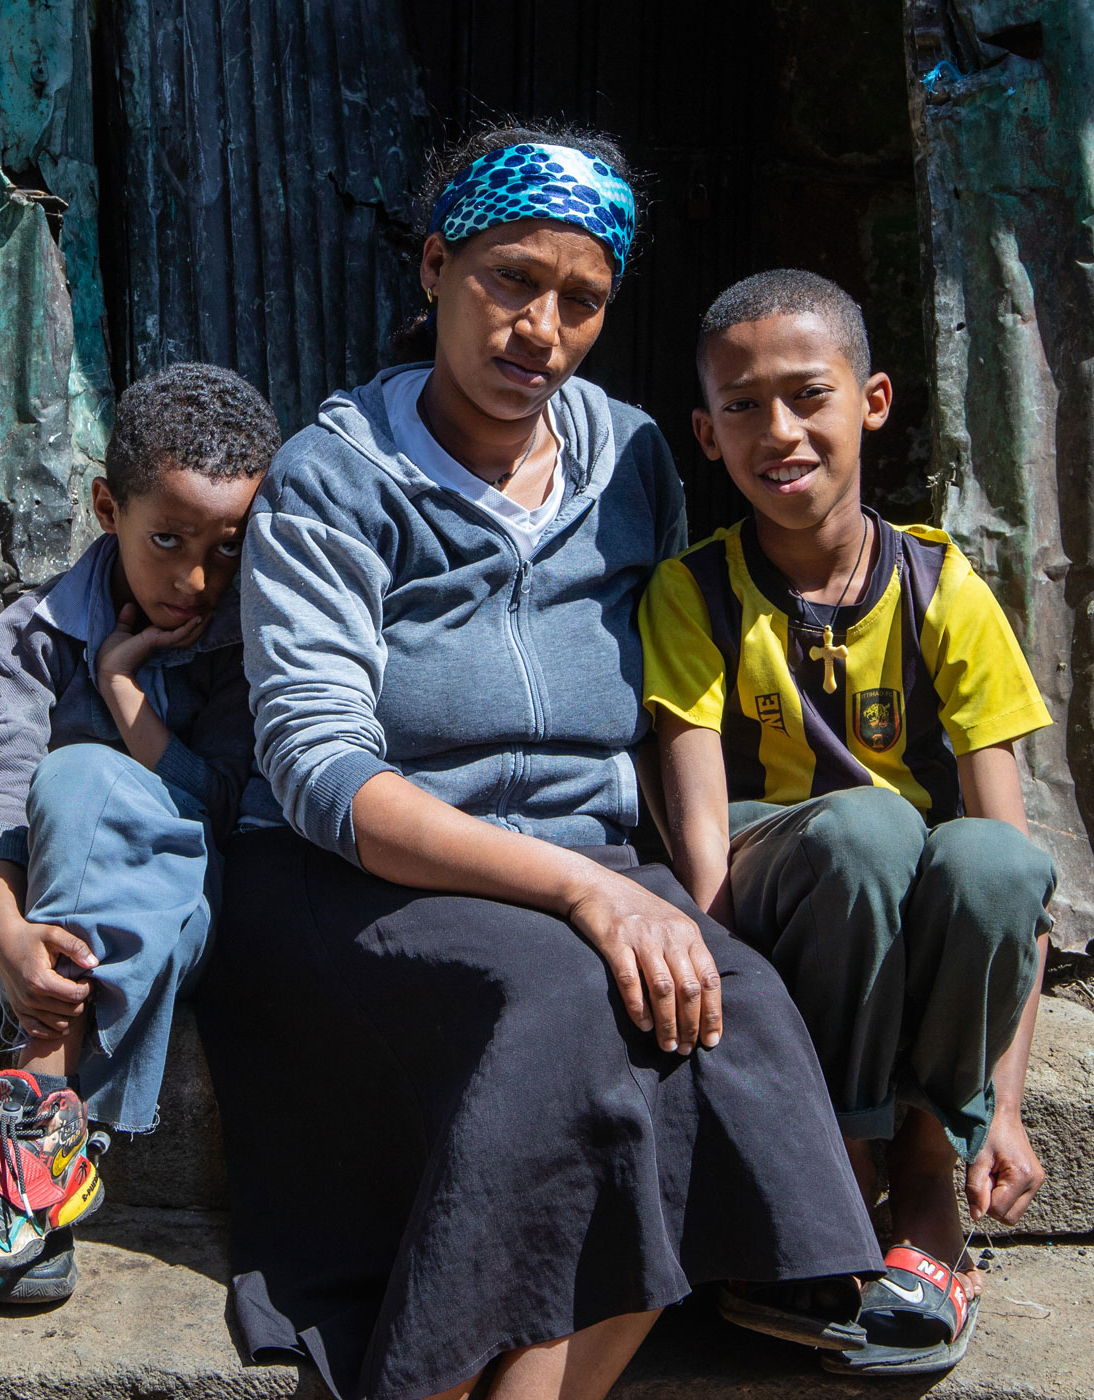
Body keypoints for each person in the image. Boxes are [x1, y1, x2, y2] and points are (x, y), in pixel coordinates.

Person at [199, 129, 881, 1400]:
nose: (541, 328)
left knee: (739, 1018)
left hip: (592, 855)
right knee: (566, 1002)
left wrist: (656, 880)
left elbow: (678, 681)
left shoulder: (631, 458)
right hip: (356, 875)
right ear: (435, 265)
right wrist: (583, 891)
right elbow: (316, 764)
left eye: (581, 301)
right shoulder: (335, 473)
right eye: (510, 279)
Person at [639, 269, 1057, 1374]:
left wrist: (1002, 1111)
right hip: (780, 895)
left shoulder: (940, 587)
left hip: (899, 897)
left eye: (807, 395)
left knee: (982, 858)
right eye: (741, 406)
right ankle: (830, 1170)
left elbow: (1015, 880)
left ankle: (925, 1171)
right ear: (706, 431)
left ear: (871, 401)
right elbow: (702, 863)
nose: (778, 431)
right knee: (866, 833)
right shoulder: (694, 594)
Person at [0, 364, 281, 1303]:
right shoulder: (32, 634)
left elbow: (221, 800)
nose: (196, 579)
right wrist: (9, 931)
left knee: (85, 769)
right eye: (169, 540)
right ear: (107, 505)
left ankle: (30, 1119)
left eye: (228, 549)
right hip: (39, 921)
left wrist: (123, 693)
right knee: (60, 780)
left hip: (186, 910)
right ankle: (49, 1168)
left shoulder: (248, 646)